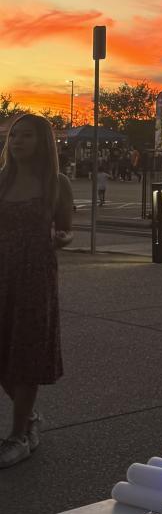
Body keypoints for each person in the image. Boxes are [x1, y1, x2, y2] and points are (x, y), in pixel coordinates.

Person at [0, 113, 74, 467]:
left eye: (26, 136)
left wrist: (61, 238)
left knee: (25, 353)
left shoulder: (56, 184)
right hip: (1, 270)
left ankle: (18, 436)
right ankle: (29, 419)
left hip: (34, 275)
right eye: (14, 135)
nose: (17, 141)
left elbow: (66, 229)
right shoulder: (1, 180)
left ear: (42, 141)